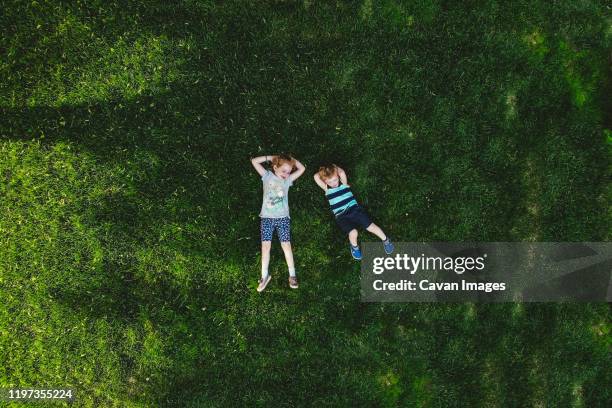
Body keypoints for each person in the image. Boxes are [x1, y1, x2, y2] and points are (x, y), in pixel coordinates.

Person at [313, 164, 394, 260]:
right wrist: (324, 172)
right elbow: (316, 176)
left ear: (338, 176)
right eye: (329, 181)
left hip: (355, 210)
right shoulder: (327, 189)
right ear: (325, 181)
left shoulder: (344, 184)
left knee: (370, 226)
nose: (333, 183)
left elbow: (342, 172)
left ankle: (386, 240)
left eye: (335, 179)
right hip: (341, 216)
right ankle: (355, 248)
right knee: (353, 232)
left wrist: (334, 168)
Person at [250, 154, 305, 292]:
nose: (286, 174)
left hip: (283, 218)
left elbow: (302, 168)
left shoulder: (288, 180)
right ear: (275, 167)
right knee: (265, 247)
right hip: (267, 218)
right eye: (284, 171)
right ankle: (264, 276)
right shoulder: (267, 176)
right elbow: (254, 161)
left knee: (286, 245)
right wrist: (271, 157)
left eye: (289, 171)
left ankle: (292, 275)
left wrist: (292, 160)